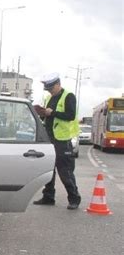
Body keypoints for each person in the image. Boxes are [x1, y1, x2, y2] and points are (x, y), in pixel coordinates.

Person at [33, 73, 81, 210]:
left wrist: (51, 112)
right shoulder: (50, 97)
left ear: (58, 84)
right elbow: (49, 117)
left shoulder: (68, 96)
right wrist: (43, 114)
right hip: (50, 138)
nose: (49, 91)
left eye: (51, 88)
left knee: (65, 171)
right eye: (47, 89)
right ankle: (48, 197)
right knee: (49, 169)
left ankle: (74, 199)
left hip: (62, 139)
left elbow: (70, 116)